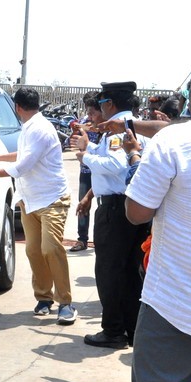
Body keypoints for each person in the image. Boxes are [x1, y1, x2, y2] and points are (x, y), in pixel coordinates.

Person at [0, 88, 77, 325]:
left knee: (51, 248)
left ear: (17, 107)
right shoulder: (30, 127)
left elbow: (23, 165)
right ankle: (44, 299)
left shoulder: (40, 129)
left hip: (52, 199)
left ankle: (65, 303)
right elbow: (23, 155)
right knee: (33, 250)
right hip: (29, 200)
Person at [124, 98, 191, 382]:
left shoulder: (174, 142)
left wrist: (136, 158)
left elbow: (137, 212)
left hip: (175, 305)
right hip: (175, 302)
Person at [69, 81, 151, 349]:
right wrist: (90, 149)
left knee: (109, 272)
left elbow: (117, 165)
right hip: (132, 207)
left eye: (101, 104)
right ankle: (131, 329)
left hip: (116, 209)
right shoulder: (134, 125)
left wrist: (84, 156)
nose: (99, 109)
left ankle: (113, 330)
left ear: (109, 104)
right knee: (129, 273)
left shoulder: (118, 128)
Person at [68, 91, 102, 252]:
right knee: (83, 205)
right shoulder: (83, 122)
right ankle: (82, 239)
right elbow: (72, 140)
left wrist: (95, 130)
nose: (89, 114)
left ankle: (101, 239)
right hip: (86, 171)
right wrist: (76, 131)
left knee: (102, 208)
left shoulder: (108, 126)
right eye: (88, 111)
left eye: (92, 111)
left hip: (101, 171)